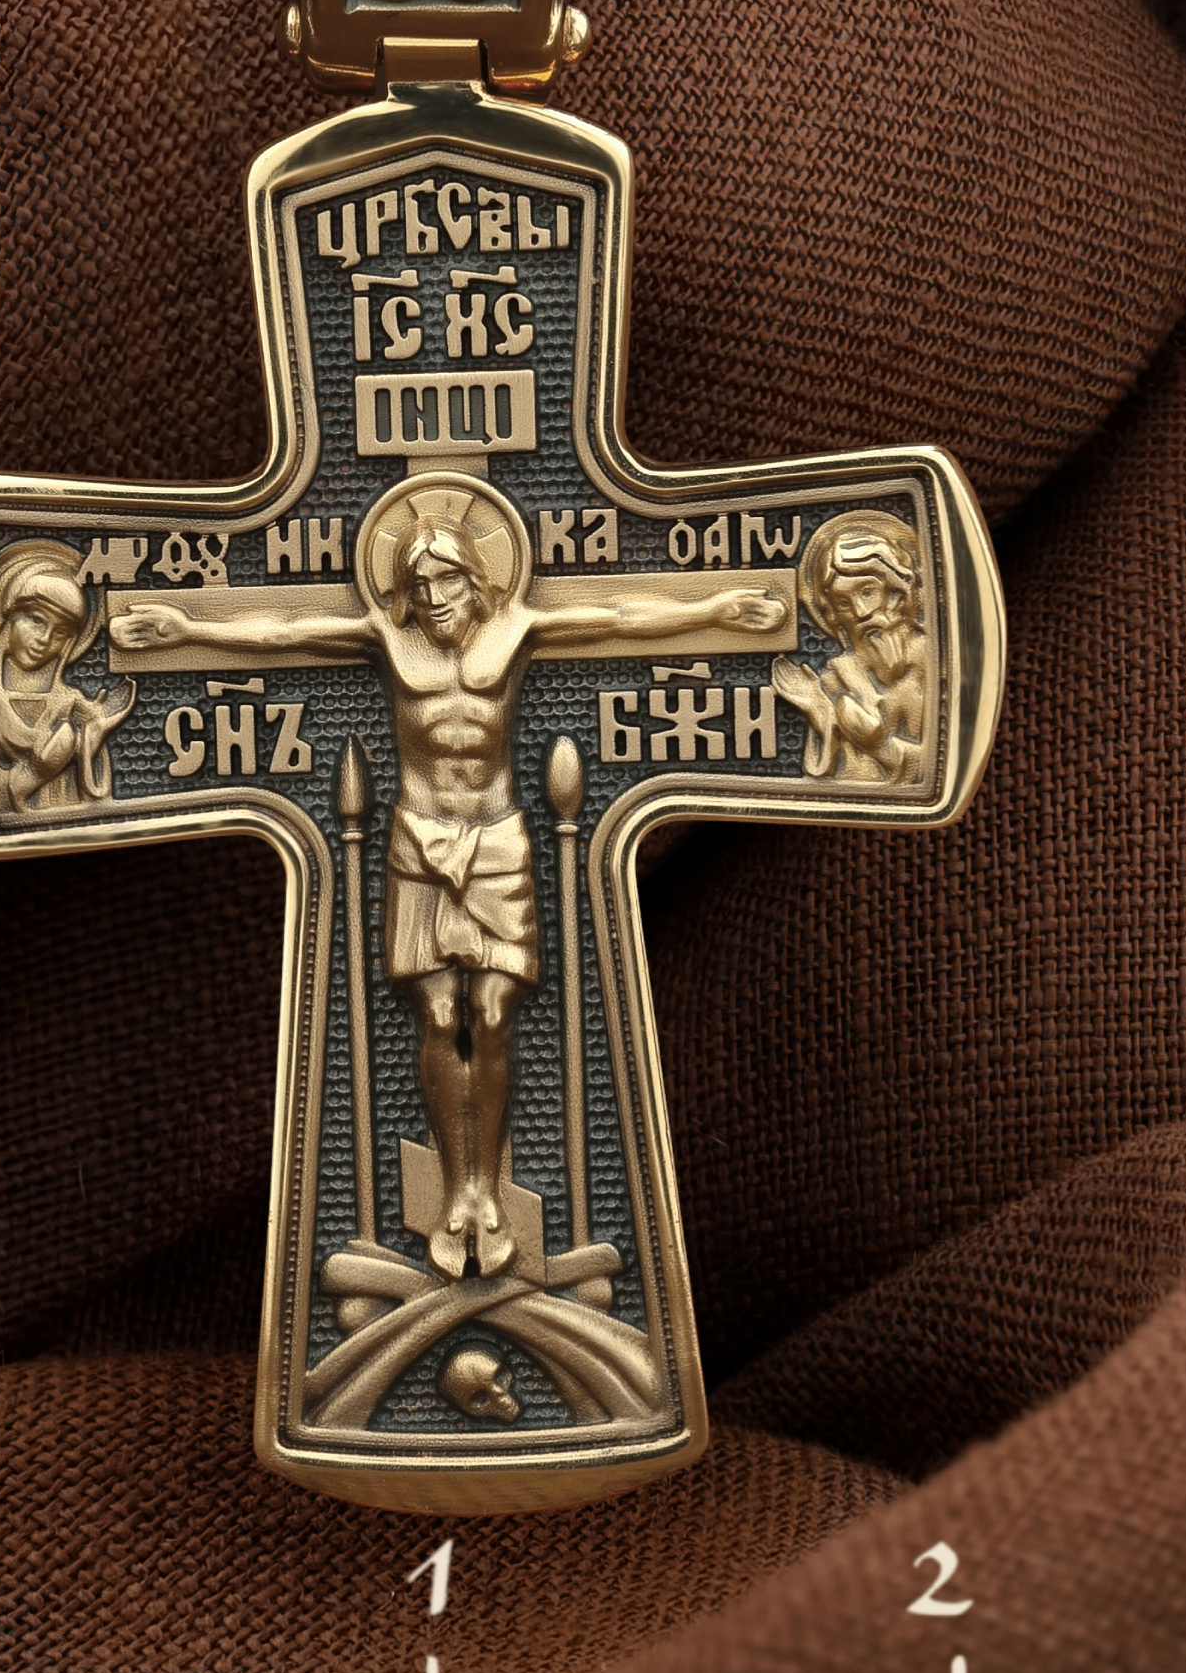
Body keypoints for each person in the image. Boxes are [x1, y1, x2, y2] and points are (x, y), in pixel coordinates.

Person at [111, 487, 784, 1279]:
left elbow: (619, 617)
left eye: (447, 580)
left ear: (476, 578)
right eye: (419, 584)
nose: (433, 598)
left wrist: (717, 608)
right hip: (420, 846)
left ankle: (484, 1188)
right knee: (436, 1014)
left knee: (492, 1015)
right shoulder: (389, 641)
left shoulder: (517, 628)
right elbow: (285, 631)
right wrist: (188, 629)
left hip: (496, 843)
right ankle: (458, 1190)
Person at [0, 539, 135, 816]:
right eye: (36, 620)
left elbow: (98, 801)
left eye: (60, 632)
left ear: (69, 644)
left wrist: (91, 738)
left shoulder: (72, 705)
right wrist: (32, 774)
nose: (44, 639)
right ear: (9, 615)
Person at [771, 511, 927, 786]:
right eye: (843, 603)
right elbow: (829, 776)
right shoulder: (838, 675)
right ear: (833, 614)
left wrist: (880, 745)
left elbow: (941, 763)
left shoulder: (931, 660)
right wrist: (819, 709)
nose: (861, 612)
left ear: (895, 591)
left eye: (867, 591)